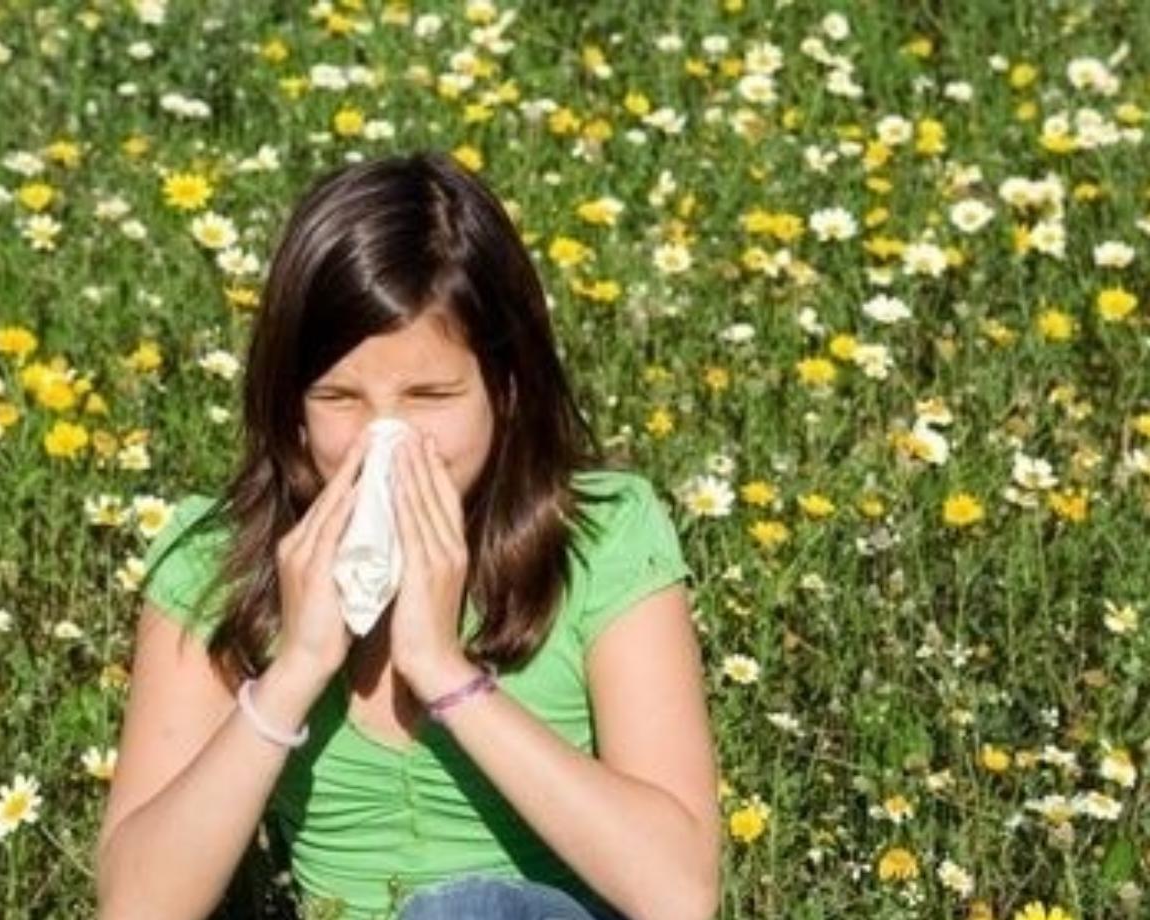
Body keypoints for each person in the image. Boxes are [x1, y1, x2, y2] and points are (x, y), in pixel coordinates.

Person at [94, 151, 721, 920]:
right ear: (292, 406)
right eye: (340, 397)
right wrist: (295, 670)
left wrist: (443, 669)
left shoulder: (600, 535)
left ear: (506, 389)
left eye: (430, 395)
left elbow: (679, 892)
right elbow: (138, 906)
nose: (384, 439)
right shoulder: (214, 561)